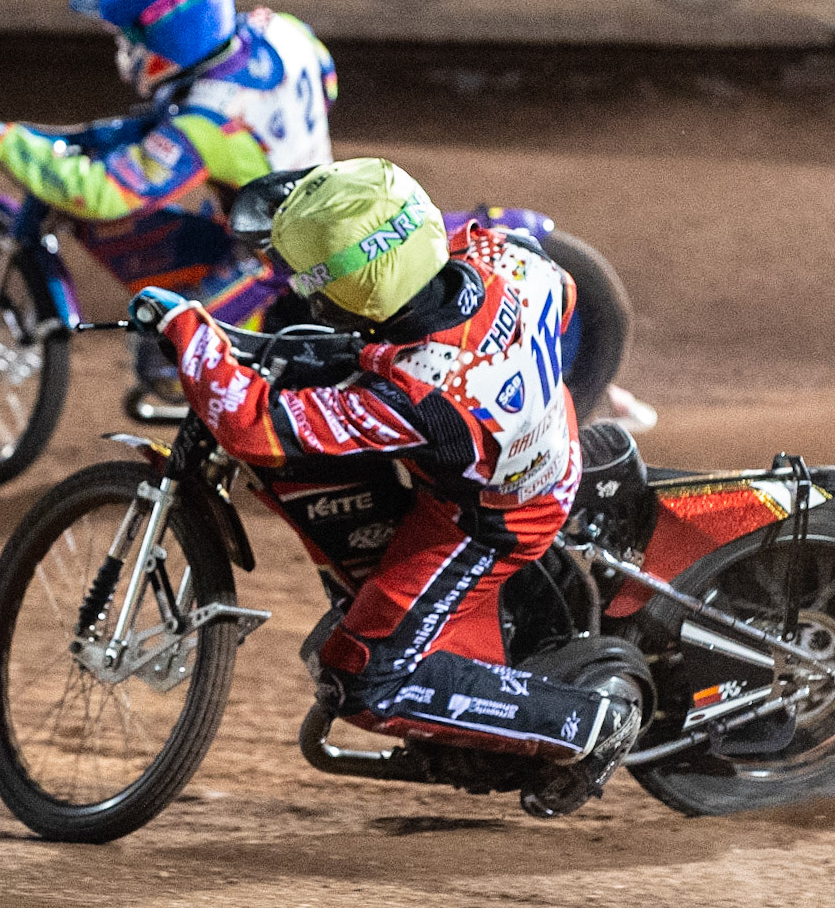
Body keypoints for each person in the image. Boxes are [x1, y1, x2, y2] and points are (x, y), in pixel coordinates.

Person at [128, 157, 646, 816]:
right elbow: (569, 295)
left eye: (313, 283)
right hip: (537, 438)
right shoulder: (502, 255)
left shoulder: (420, 394)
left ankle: (584, 725)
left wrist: (188, 330)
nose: (306, 296)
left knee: (364, 678)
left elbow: (254, 424)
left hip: (491, 518)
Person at [0, 0, 337, 397]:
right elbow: (327, 80)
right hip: (312, 201)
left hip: (278, 257)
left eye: (131, 39)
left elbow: (103, 193)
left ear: (168, 41)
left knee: (169, 354)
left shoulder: (206, 125)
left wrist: (9, 144)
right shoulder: (282, 29)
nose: (125, 51)